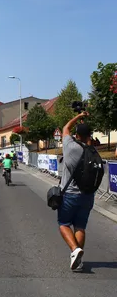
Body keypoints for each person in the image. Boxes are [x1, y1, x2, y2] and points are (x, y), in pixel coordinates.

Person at [58, 112, 102, 271]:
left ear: (77, 135)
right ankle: (78, 259)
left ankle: (75, 250)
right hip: (88, 195)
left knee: (63, 224)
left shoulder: (70, 147)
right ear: (89, 135)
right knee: (80, 226)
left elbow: (65, 128)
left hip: (70, 194)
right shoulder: (92, 150)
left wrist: (78, 116)